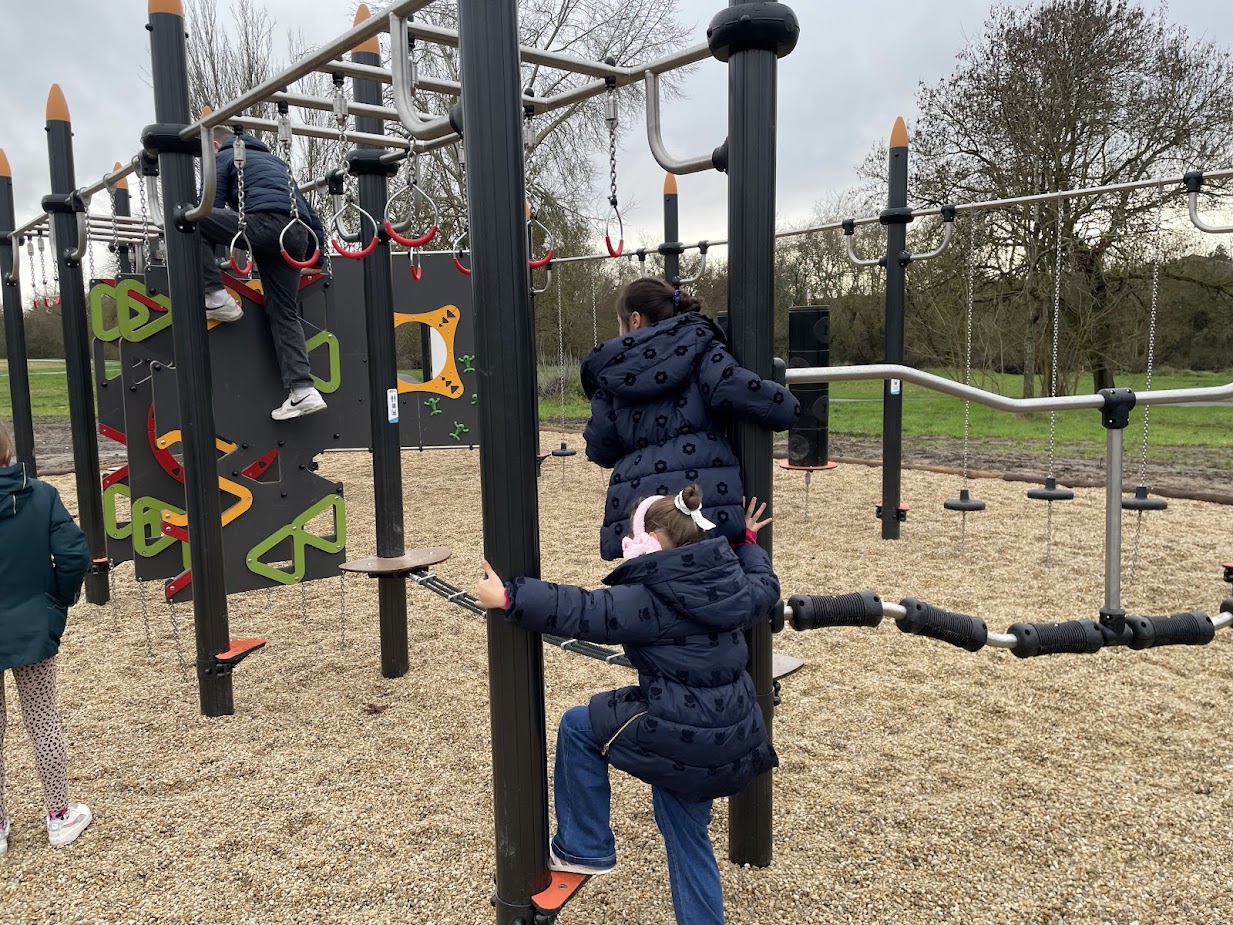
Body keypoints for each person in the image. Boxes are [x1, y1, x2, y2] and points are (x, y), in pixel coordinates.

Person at [476, 487, 781, 925]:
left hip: (683, 735)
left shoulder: (650, 596)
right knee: (687, 832)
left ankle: (584, 846)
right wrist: (748, 543)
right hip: (733, 735)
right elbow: (765, 585)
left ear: (651, 540)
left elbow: (581, 609)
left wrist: (509, 598)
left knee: (578, 726)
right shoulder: (730, 582)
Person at [582, 277, 800, 560]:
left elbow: (601, 448)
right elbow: (745, 392)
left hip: (643, 511)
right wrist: (785, 401)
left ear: (634, 320)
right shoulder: (702, 349)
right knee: (712, 577)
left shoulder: (612, 373)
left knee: (650, 581)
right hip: (704, 502)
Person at [0, 422, 93, 854]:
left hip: (29, 620)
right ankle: (58, 815)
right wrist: (58, 600)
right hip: (33, 623)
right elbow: (74, 553)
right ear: (8, 451)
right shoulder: (40, 494)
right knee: (42, 718)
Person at [199, 127, 331, 421]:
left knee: (189, 218)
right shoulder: (278, 164)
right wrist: (318, 258)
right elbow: (311, 215)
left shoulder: (224, 156)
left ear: (216, 145)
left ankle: (216, 296)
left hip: (265, 225)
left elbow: (210, 205)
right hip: (296, 234)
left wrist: (212, 261)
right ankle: (303, 391)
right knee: (283, 312)